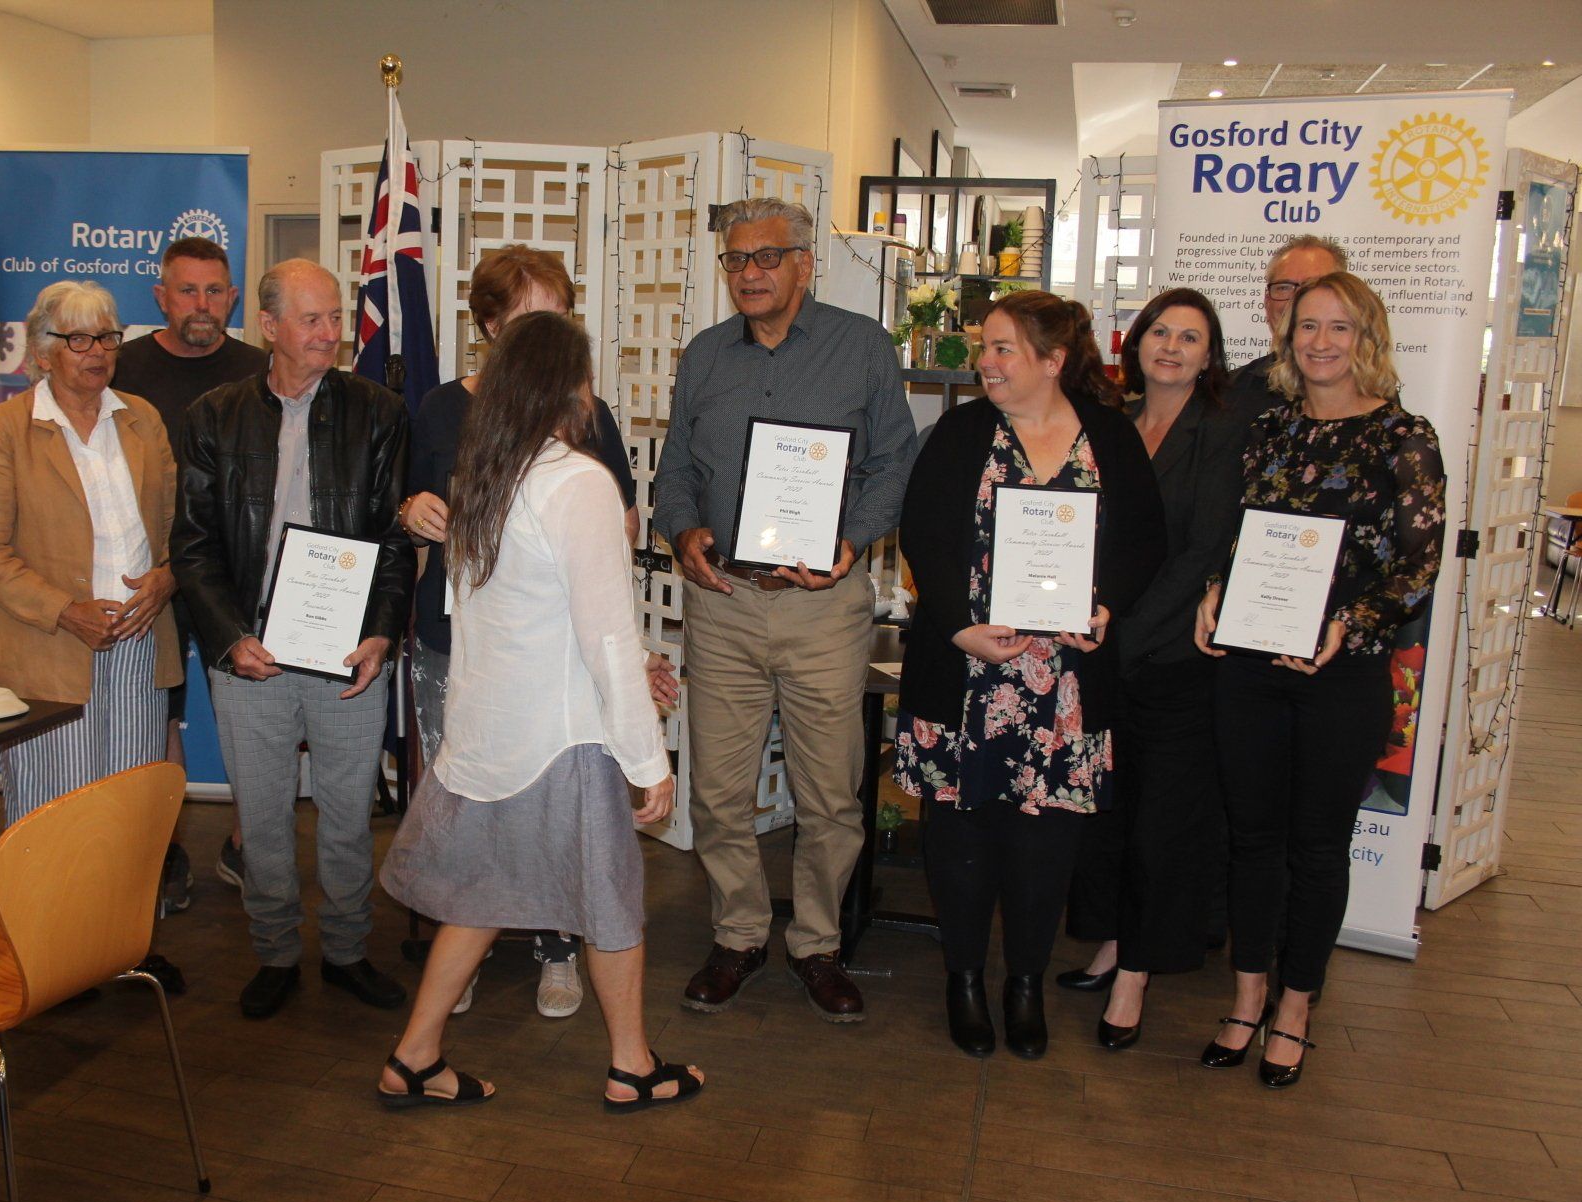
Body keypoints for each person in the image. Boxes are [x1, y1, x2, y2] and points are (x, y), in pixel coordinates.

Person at [377, 310, 700, 1111]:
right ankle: (631, 1065)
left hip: (491, 733)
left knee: (484, 896)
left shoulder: (486, 479)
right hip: (563, 738)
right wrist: (647, 760)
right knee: (614, 902)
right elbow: (605, 636)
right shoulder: (579, 482)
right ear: (568, 388)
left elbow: (495, 619)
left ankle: (414, 1056)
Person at [653, 197, 918, 1024]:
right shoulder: (704, 356)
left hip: (822, 608)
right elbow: (674, 471)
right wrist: (683, 531)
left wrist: (854, 541)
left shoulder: (862, 348)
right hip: (724, 602)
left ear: (807, 262)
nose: (750, 274)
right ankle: (738, 933)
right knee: (718, 793)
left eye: (767, 257)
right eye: (736, 261)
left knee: (830, 794)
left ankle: (816, 943)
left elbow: (894, 461)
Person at [895, 291, 1164, 1059]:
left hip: (1067, 688)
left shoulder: (1109, 437)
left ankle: (1024, 984)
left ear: (1052, 361)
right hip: (970, 673)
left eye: (1003, 348)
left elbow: (1146, 540)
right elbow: (923, 535)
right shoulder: (961, 432)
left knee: (1045, 846)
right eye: (986, 346)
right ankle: (965, 980)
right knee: (960, 837)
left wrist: (1108, 604)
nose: (985, 360)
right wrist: (957, 627)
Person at [1195, 271, 1444, 1087]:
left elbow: (1420, 563)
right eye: (1308, 326)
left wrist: (1351, 625)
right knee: (1252, 839)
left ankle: (1297, 1006)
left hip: (1345, 674)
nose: (1322, 342)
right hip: (1252, 667)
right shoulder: (1270, 430)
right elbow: (1237, 535)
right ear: (1287, 337)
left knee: (1316, 845)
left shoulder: (1405, 436)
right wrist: (1212, 594)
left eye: (1340, 328)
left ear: (1365, 339)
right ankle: (1245, 997)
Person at [396, 245, 645, 1019]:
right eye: (531, 318)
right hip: (497, 671)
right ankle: (628, 1060)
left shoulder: (575, 446)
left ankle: (539, 962)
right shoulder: (451, 416)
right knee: (490, 833)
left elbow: (610, 562)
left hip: (537, 676)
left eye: (557, 318)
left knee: (524, 839)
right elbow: (604, 631)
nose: (546, 333)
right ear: (491, 325)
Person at [171, 258, 413, 1020]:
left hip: (347, 658)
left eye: (337, 317)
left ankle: (345, 952)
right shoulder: (214, 416)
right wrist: (229, 638)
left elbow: (395, 540)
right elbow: (194, 545)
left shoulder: (378, 413)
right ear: (269, 327)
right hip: (253, 657)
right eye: (312, 319)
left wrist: (379, 635)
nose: (331, 333)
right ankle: (274, 952)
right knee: (265, 819)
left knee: (346, 819)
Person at [1053, 288, 1246, 1049]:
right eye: (1159, 331)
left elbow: (1203, 549)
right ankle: (1112, 940)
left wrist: (1123, 627)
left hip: (1171, 657)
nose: (1170, 346)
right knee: (1109, 813)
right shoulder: (1118, 423)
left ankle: (1136, 972)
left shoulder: (1223, 431)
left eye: (1189, 337)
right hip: (1103, 646)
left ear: (1210, 354)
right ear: (1134, 343)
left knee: (1163, 824)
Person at [0, 279, 182, 827]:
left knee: (130, 816)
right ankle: (47, 919)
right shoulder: (0, 430)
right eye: (78, 340)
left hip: (138, 641)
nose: (98, 353)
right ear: (40, 352)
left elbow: (182, 527)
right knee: (54, 820)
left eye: (107, 337)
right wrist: (66, 611)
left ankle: (121, 916)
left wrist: (166, 578)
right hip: (46, 647)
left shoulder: (142, 418)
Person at [111, 236, 267, 916]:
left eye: (214, 291)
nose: (201, 305)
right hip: (150, 575)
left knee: (253, 718)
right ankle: (160, 852)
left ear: (232, 298)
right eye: (187, 291)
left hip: (242, 575)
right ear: (159, 298)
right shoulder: (120, 371)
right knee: (156, 719)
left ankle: (247, 843)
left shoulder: (261, 370)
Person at [1225, 235, 1348, 426]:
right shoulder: (1229, 393)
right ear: (1267, 302)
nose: (1296, 299)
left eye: (1312, 286)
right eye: (1284, 287)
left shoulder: (1369, 394)